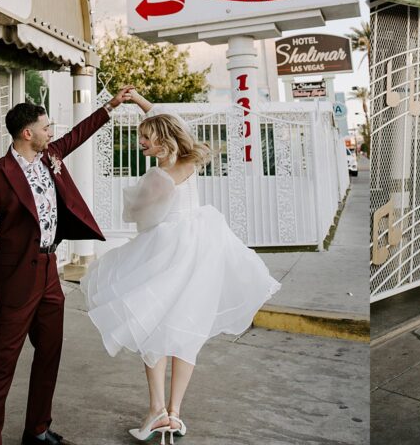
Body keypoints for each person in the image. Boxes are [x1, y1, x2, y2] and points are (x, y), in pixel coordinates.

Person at [82, 90, 280, 442]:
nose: (140, 142)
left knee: (152, 325)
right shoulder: (190, 161)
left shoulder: (158, 178)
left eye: (146, 138)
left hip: (166, 254)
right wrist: (143, 101)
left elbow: (140, 219)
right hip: (202, 250)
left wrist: (136, 200)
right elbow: (177, 122)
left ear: (160, 142)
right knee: (189, 329)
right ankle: (174, 413)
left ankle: (156, 410)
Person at [0, 86, 135, 445]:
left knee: (50, 352)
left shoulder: (51, 155)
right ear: (28, 134)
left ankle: (37, 430)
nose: (52, 132)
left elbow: (79, 133)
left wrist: (111, 105)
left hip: (50, 272)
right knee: (3, 363)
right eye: (46, 127)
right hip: (16, 280)